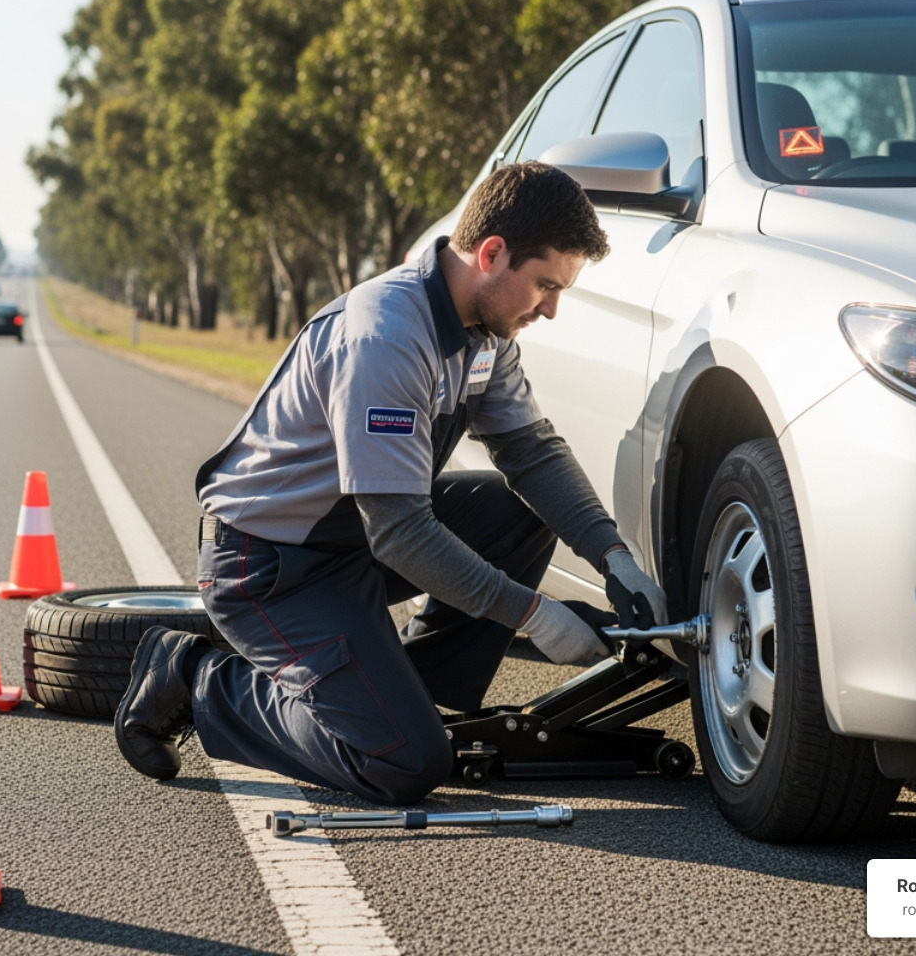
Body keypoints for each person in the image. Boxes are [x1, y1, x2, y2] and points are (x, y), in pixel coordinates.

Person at [115, 161, 667, 804]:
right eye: (546, 285)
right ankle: (192, 674)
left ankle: (411, 695)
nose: (550, 310)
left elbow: (532, 452)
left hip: (355, 543)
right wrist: (535, 614)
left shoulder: (484, 331)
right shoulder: (386, 335)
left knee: (516, 508)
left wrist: (614, 557)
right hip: (271, 567)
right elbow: (402, 534)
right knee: (405, 765)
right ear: (492, 254)